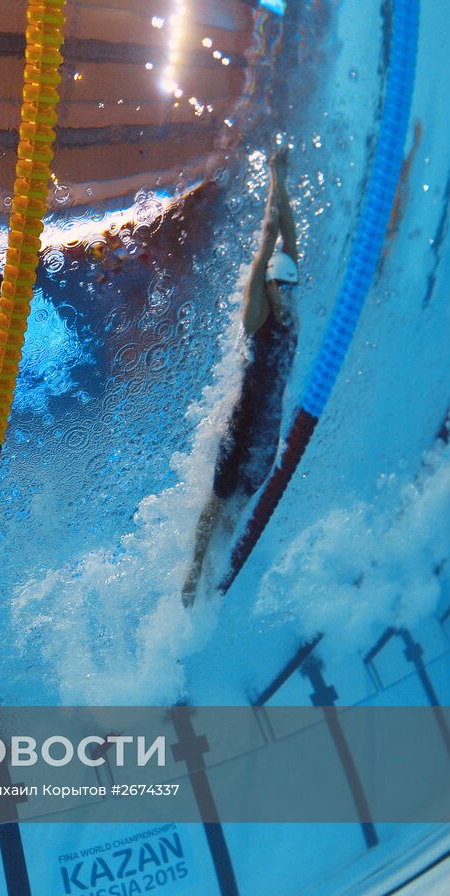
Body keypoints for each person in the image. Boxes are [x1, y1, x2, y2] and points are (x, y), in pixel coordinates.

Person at [183, 148, 300, 607]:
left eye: (292, 287)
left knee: (236, 513)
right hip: (244, 425)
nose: (290, 297)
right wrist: (266, 244)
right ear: (270, 289)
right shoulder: (259, 315)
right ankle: (194, 569)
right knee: (215, 505)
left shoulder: (288, 300)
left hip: (267, 436)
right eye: (281, 289)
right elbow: (271, 243)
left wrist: (281, 178)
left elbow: (288, 235)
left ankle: (215, 574)